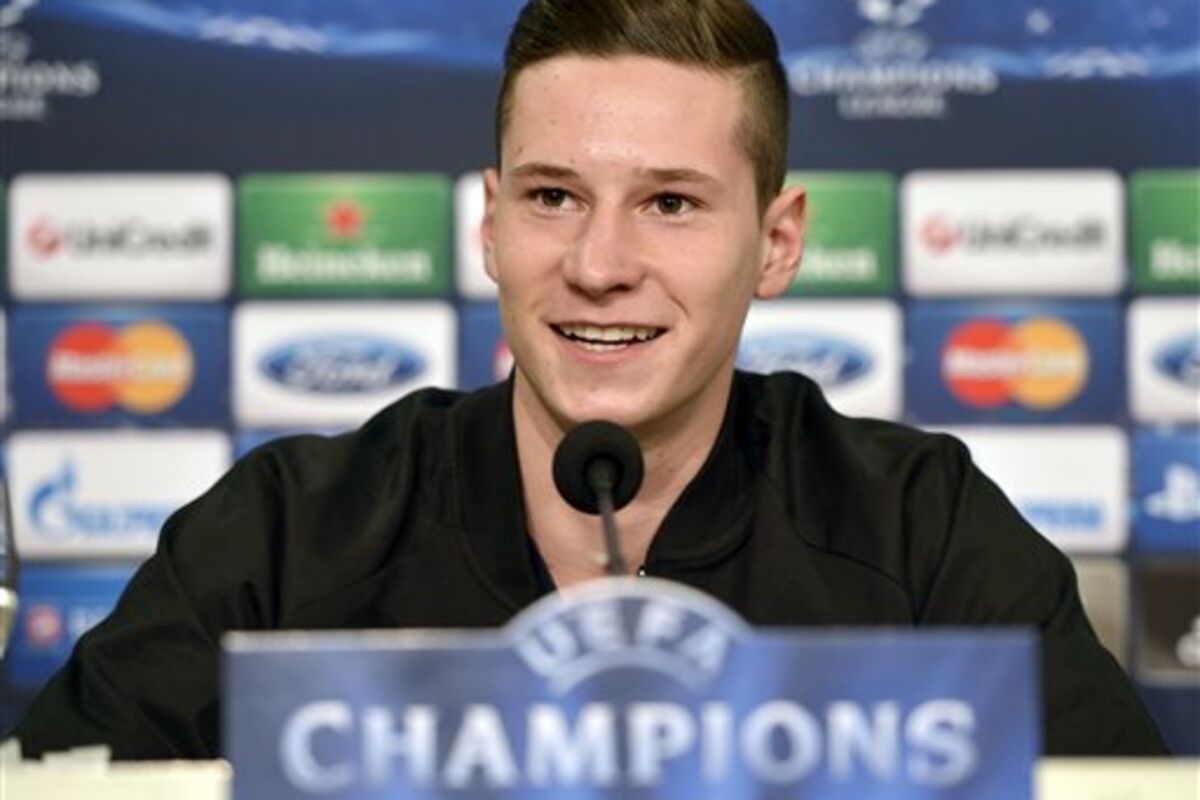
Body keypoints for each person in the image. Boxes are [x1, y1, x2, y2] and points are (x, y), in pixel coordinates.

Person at [11, 0, 1165, 759]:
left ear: (777, 242)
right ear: (491, 223)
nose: (599, 265)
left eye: (670, 202)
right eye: (554, 196)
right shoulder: (286, 532)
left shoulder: (920, 525)